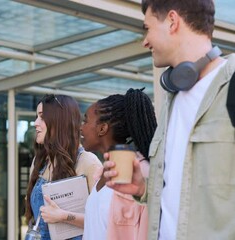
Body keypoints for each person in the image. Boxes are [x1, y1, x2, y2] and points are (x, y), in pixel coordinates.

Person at [103, 1, 235, 239]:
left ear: (172, 21)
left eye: (147, 28)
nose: (145, 41)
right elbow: (183, 193)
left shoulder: (232, 86)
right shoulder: (173, 99)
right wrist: (144, 187)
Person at [81, 88, 156, 240]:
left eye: (85, 120)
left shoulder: (141, 174)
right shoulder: (103, 172)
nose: (80, 127)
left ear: (102, 128)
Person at [24, 94, 102, 240]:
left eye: (41, 117)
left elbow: (102, 220)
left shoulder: (88, 162)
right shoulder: (39, 162)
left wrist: (64, 216)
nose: (35, 123)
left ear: (59, 121)